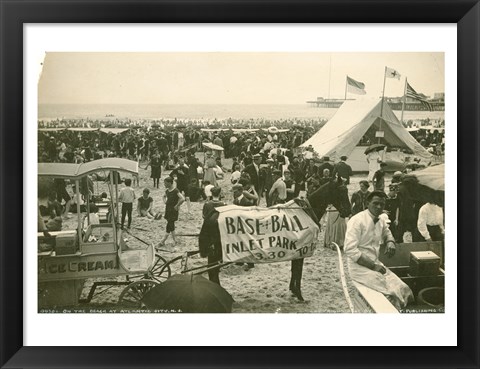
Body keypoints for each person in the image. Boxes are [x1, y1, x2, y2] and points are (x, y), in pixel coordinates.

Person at [344, 191, 414, 310]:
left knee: (404, 289)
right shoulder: (357, 220)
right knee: (392, 295)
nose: (379, 207)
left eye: (382, 204)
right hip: (359, 268)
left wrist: (390, 242)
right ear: (367, 203)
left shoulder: (381, 219)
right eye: (375, 203)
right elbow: (350, 249)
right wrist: (373, 266)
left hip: (376, 264)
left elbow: (387, 232)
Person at [158, 177, 185, 249]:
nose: (164, 184)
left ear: (170, 183)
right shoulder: (167, 191)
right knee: (171, 224)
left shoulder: (175, 190)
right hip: (168, 209)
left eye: (165, 183)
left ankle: (163, 240)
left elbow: (182, 198)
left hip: (173, 210)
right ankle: (174, 240)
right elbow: (163, 197)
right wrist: (165, 202)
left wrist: (177, 205)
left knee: (170, 224)